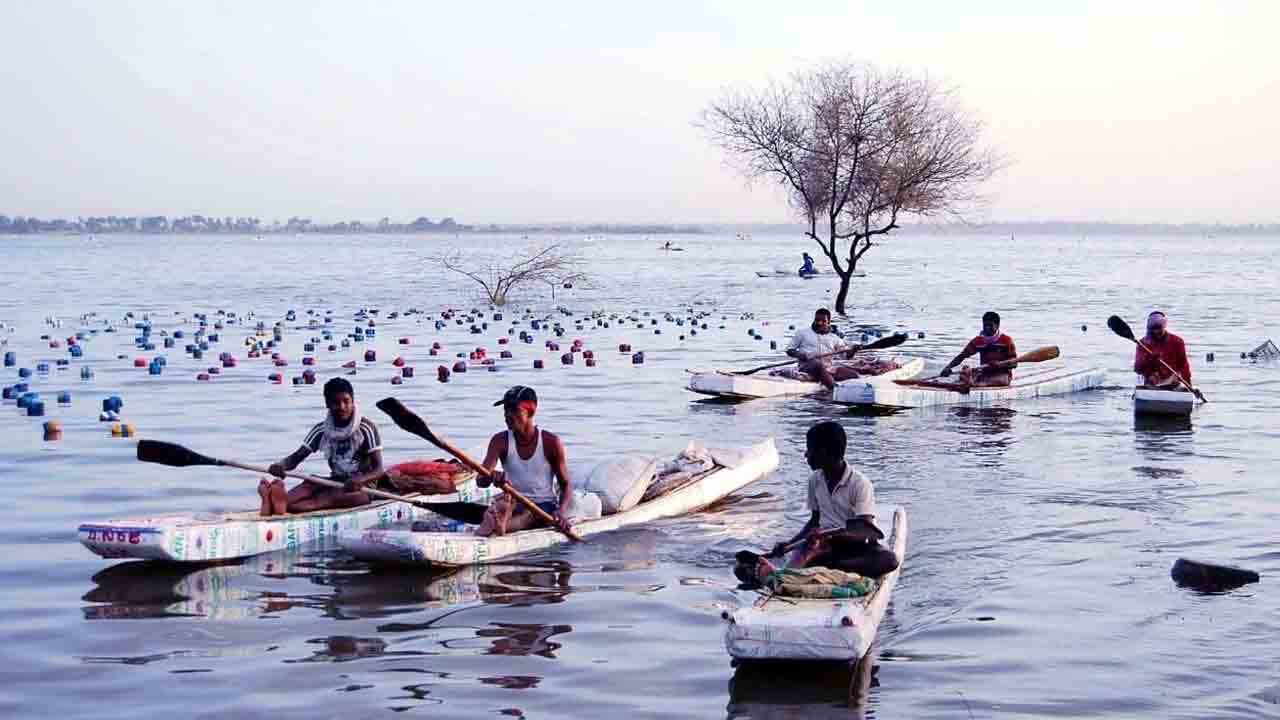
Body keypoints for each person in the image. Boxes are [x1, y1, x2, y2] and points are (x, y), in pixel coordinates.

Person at [751, 421, 898, 582]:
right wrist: (789, 544)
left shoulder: (860, 484)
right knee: (805, 550)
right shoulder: (815, 480)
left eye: (809, 449)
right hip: (824, 546)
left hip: (855, 548)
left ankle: (819, 569)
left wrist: (828, 535)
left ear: (823, 452)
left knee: (890, 560)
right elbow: (814, 521)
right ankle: (788, 575)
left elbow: (863, 531)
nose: (806, 455)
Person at [428, 386, 574, 537]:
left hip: (543, 506)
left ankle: (499, 526)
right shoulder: (500, 441)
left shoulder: (551, 442)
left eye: (513, 410)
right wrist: (491, 476)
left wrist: (561, 512)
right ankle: (496, 521)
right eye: (505, 410)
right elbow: (481, 481)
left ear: (531, 411)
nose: (507, 415)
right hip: (513, 501)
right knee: (503, 505)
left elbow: (566, 484)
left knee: (529, 516)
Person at [259, 377, 384, 516]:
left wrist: (359, 480)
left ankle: (282, 506)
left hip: (362, 488)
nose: (342, 407)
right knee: (309, 484)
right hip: (335, 480)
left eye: (346, 401)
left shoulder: (366, 428)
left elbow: (379, 470)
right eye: (336, 403)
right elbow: (297, 457)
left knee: (323, 499)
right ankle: (277, 502)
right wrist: (281, 466)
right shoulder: (322, 430)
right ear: (327, 404)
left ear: (352, 401)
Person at [785, 308, 862, 390]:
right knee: (818, 364)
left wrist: (853, 350)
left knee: (854, 375)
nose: (819, 323)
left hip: (828, 368)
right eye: (817, 320)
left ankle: (852, 389)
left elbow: (846, 356)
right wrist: (801, 355)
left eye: (823, 321)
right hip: (807, 366)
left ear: (828, 323)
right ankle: (834, 389)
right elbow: (789, 350)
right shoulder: (802, 333)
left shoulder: (834, 338)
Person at [939, 311, 1018, 387]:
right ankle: (970, 382)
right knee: (965, 370)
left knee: (1000, 379)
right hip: (985, 373)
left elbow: (1014, 364)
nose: (987, 328)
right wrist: (948, 368)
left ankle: (974, 384)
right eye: (985, 325)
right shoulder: (978, 340)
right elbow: (962, 356)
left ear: (997, 326)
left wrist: (999, 365)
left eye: (990, 326)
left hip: (1002, 375)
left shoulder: (1007, 340)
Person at [1134, 311, 1193, 389]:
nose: (1157, 332)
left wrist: (1189, 386)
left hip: (1172, 381)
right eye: (1154, 330)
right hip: (1152, 382)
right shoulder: (1143, 344)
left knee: (1175, 379)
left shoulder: (1177, 342)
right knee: (1151, 378)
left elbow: (1184, 366)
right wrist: (1150, 360)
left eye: (1159, 329)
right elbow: (1138, 369)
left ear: (1164, 327)